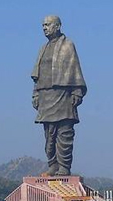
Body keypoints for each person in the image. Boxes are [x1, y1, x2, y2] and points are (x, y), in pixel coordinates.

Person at [31, 15, 87, 176]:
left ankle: (64, 167)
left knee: (64, 133)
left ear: (58, 26)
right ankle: (53, 164)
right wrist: (35, 94)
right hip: (45, 96)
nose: (44, 28)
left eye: (47, 24)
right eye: (43, 25)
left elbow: (74, 68)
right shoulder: (43, 48)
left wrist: (77, 91)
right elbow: (37, 75)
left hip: (63, 94)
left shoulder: (68, 45)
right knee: (49, 135)